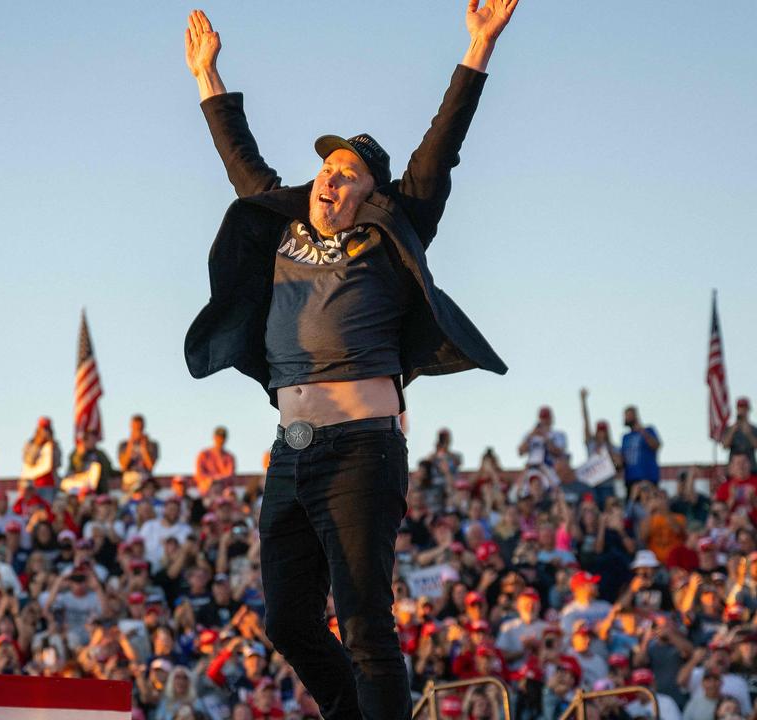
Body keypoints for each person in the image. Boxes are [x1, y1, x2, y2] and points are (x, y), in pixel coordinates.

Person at [182, 3, 518, 718]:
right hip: (293, 444)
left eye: (349, 172)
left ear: (371, 191)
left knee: (365, 622)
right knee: (288, 621)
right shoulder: (284, 222)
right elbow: (241, 158)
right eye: (327, 167)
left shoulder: (390, 232)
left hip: (362, 447)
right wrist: (209, 75)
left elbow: (441, 147)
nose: (332, 178)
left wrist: (477, 50)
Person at [621, 405, 662, 492]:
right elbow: (623, 459)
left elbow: (656, 446)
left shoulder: (649, 430)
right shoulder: (625, 437)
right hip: (630, 480)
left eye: (628, 415)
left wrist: (643, 431)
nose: (625, 418)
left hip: (648, 478)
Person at [21, 416, 61, 501]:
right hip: (33, 484)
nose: (45, 432)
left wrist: (52, 448)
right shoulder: (30, 444)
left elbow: (58, 464)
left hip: (50, 484)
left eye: (47, 429)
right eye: (43, 429)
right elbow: (29, 460)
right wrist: (38, 444)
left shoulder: (54, 445)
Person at [119, 414, 160, 492]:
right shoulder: (123, 445)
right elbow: (123, 466)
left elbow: (150, 466)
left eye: (139, 428)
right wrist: (130, 445)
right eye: (135, 427)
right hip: (130, 478)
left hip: (145, 478)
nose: (137, 430)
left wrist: (144, 447)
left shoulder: (152, 445)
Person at [194, 426, 237, 495]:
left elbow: (230, 476)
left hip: (223, 491)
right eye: (218, 437)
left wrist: (218, 479)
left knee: (231, 494)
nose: (220, 440)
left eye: (222, 438)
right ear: (214, 437)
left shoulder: (229, 457)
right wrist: (211, 480)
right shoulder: (204, 454)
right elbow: (199, 474)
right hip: (207, 490)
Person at [720, 397, 757, 470]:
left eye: (744, 408)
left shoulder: (753, 429)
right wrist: (733, 430)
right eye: (740, 408)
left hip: (750, 467)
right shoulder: (730, 428)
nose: (742, 411)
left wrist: (749, 434)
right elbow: (725, 446)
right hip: (734, 468)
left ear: (748, 410)